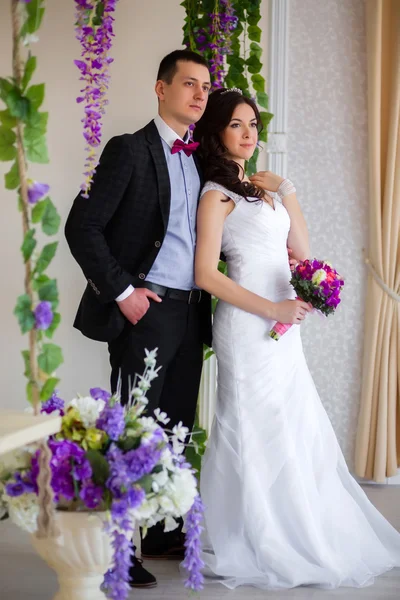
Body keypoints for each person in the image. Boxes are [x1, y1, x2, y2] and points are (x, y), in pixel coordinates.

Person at [192, 87, 400, 589]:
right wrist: (272, 307)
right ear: (217, 130)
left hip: (284, 328)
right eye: (237, 124)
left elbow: (301, 252)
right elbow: (205, 273)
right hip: (248, 324)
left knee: (293, 421)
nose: (248, 134)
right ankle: (252, 531)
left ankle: (302, 525)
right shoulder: (215, 194)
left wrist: (287, 190)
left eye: (253, 125)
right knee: (251, 424)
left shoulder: (260, 188)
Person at [65, 49, 213, 589]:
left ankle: (159, 532)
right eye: (189, 84)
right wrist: (124, 291)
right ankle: (118, 550)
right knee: (132, 429)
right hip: (144, 310)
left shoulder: (201, 160)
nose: (199, 94)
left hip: (190, 313)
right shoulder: (128, 150)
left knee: (173, 429)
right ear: (160, 88)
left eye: (205, 86)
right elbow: (82, 227)